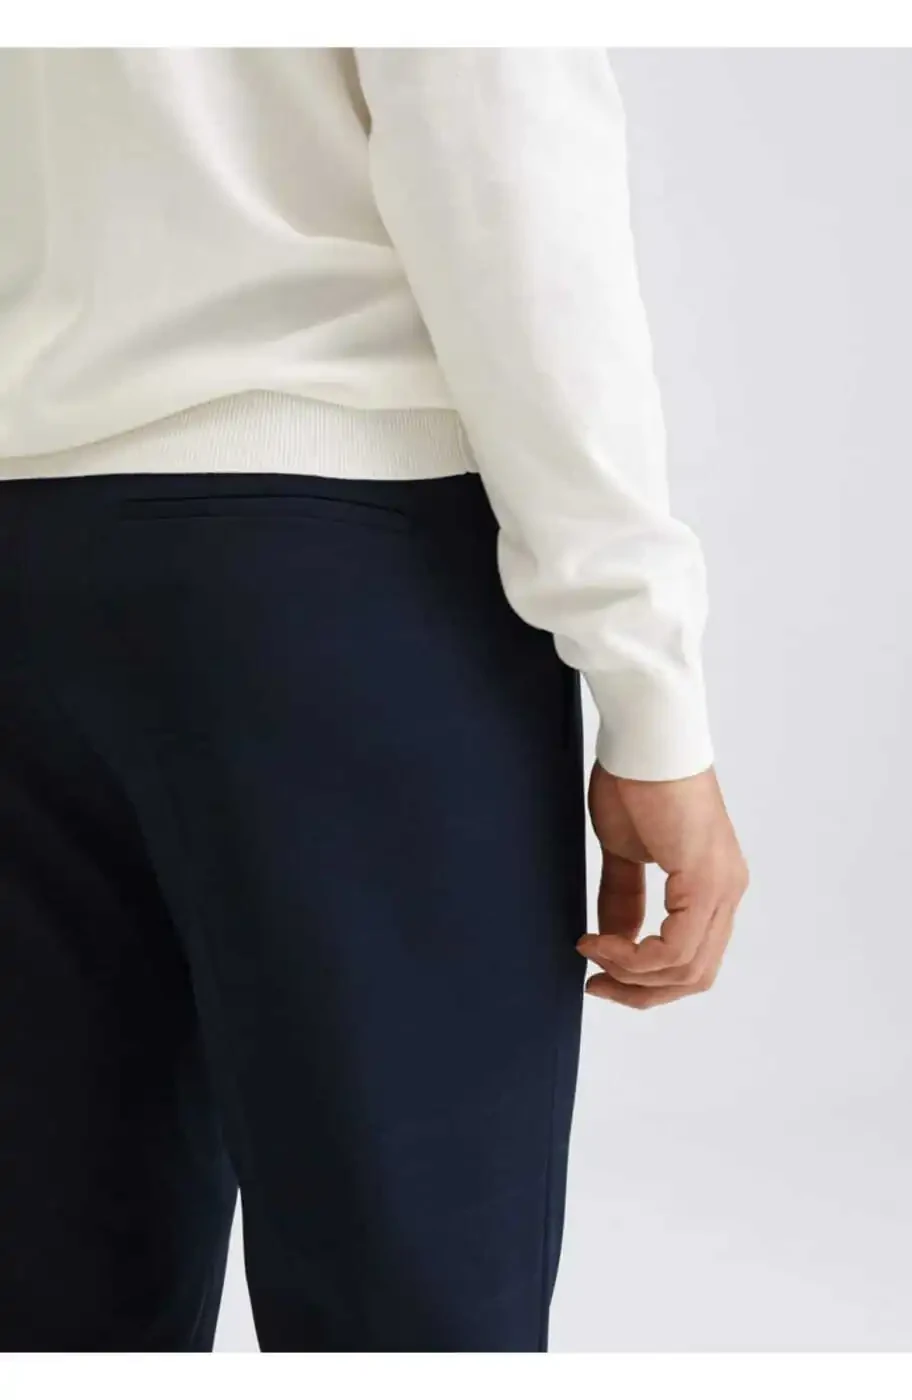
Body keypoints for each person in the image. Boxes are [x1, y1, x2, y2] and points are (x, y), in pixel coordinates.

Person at [0, 47, 748, 1352]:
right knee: (411, 1316)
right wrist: (653, 701)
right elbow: (516, 206)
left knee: (54, 1295)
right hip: (338, 585)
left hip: (31, 564)